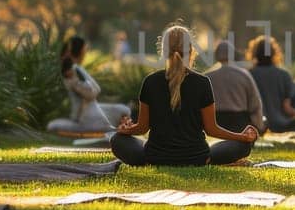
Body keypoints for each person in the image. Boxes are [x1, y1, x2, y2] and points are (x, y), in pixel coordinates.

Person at [110, 25, 258, 166]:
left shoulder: (151, 81)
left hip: (155, 156)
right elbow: (212, 129)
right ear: (191, 50)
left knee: (117, 140)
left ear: (163, 51)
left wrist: (126, 130)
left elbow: (142, 128)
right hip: (197, 157)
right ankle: (212, 156)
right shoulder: (202, 82)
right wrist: (242, 137)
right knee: (242, 146)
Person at [46, 36, 130, 134]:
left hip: (91, 110)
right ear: (80, 51)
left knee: (123, 110)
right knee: (123, 111)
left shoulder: (77, 68)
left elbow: (95, 90)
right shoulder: (72, 70)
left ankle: (118, 128)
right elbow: (91, 93)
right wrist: (79, 84)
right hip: (84, 118)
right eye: (85, 49)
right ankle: (116, 130)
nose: (85, 52)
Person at [205, 40, 263, 132]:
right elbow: (255, 104)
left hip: (215, 123)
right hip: (239, 123)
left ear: (216, 55)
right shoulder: (244, 75)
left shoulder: (207, 77)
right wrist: (258, 127)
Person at [247, 36, 295, 132]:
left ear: (254, 53)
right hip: (281, 124)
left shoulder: (249, 74)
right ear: (274, 53)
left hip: (256, 125)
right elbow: (287, 107)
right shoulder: (284, 75)